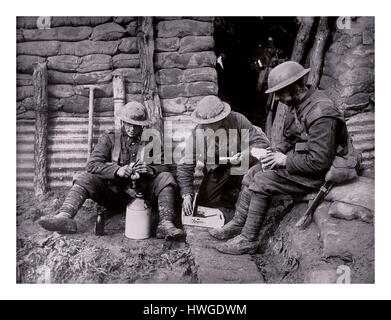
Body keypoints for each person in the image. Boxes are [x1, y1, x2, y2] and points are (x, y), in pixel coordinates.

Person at [210, 61, 350, 255]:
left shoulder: (321, 113)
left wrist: (283, 160)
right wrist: (273, 153)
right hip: (302, 161)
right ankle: (237, 224)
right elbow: (290, 139)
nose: (277, 98)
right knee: (252, 173)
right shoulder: (298, 105)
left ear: (293, 88)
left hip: (322, 172)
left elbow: (319, 162)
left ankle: (248, 239)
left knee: (262, 180)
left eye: (279, 93)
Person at [38, 101, 185, 240]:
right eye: (129, 124)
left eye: (136, 125)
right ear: (122, 122)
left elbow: (165, 167)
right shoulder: (109, 138)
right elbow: (92, 165)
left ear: (143, 126)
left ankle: (165, 225)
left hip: (143, 198)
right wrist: (116, 170)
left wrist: (150, 169)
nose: (132, 128)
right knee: (85, 177)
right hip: (113, 195)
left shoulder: (153, 141)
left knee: (166, 177)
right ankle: (65, 217)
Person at [177, 95, 270, 215]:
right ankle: (230, 205)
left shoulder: (238, 120)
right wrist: (186, 194)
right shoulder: (198, 133)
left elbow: (260, 143)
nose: (207, 127)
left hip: (244, 166)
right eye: (204, 124)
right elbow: (185, 165)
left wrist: (245, 155)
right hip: (219, 171)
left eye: (211, 123)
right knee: (205, 205)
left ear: (222, 118)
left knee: (253, 195)